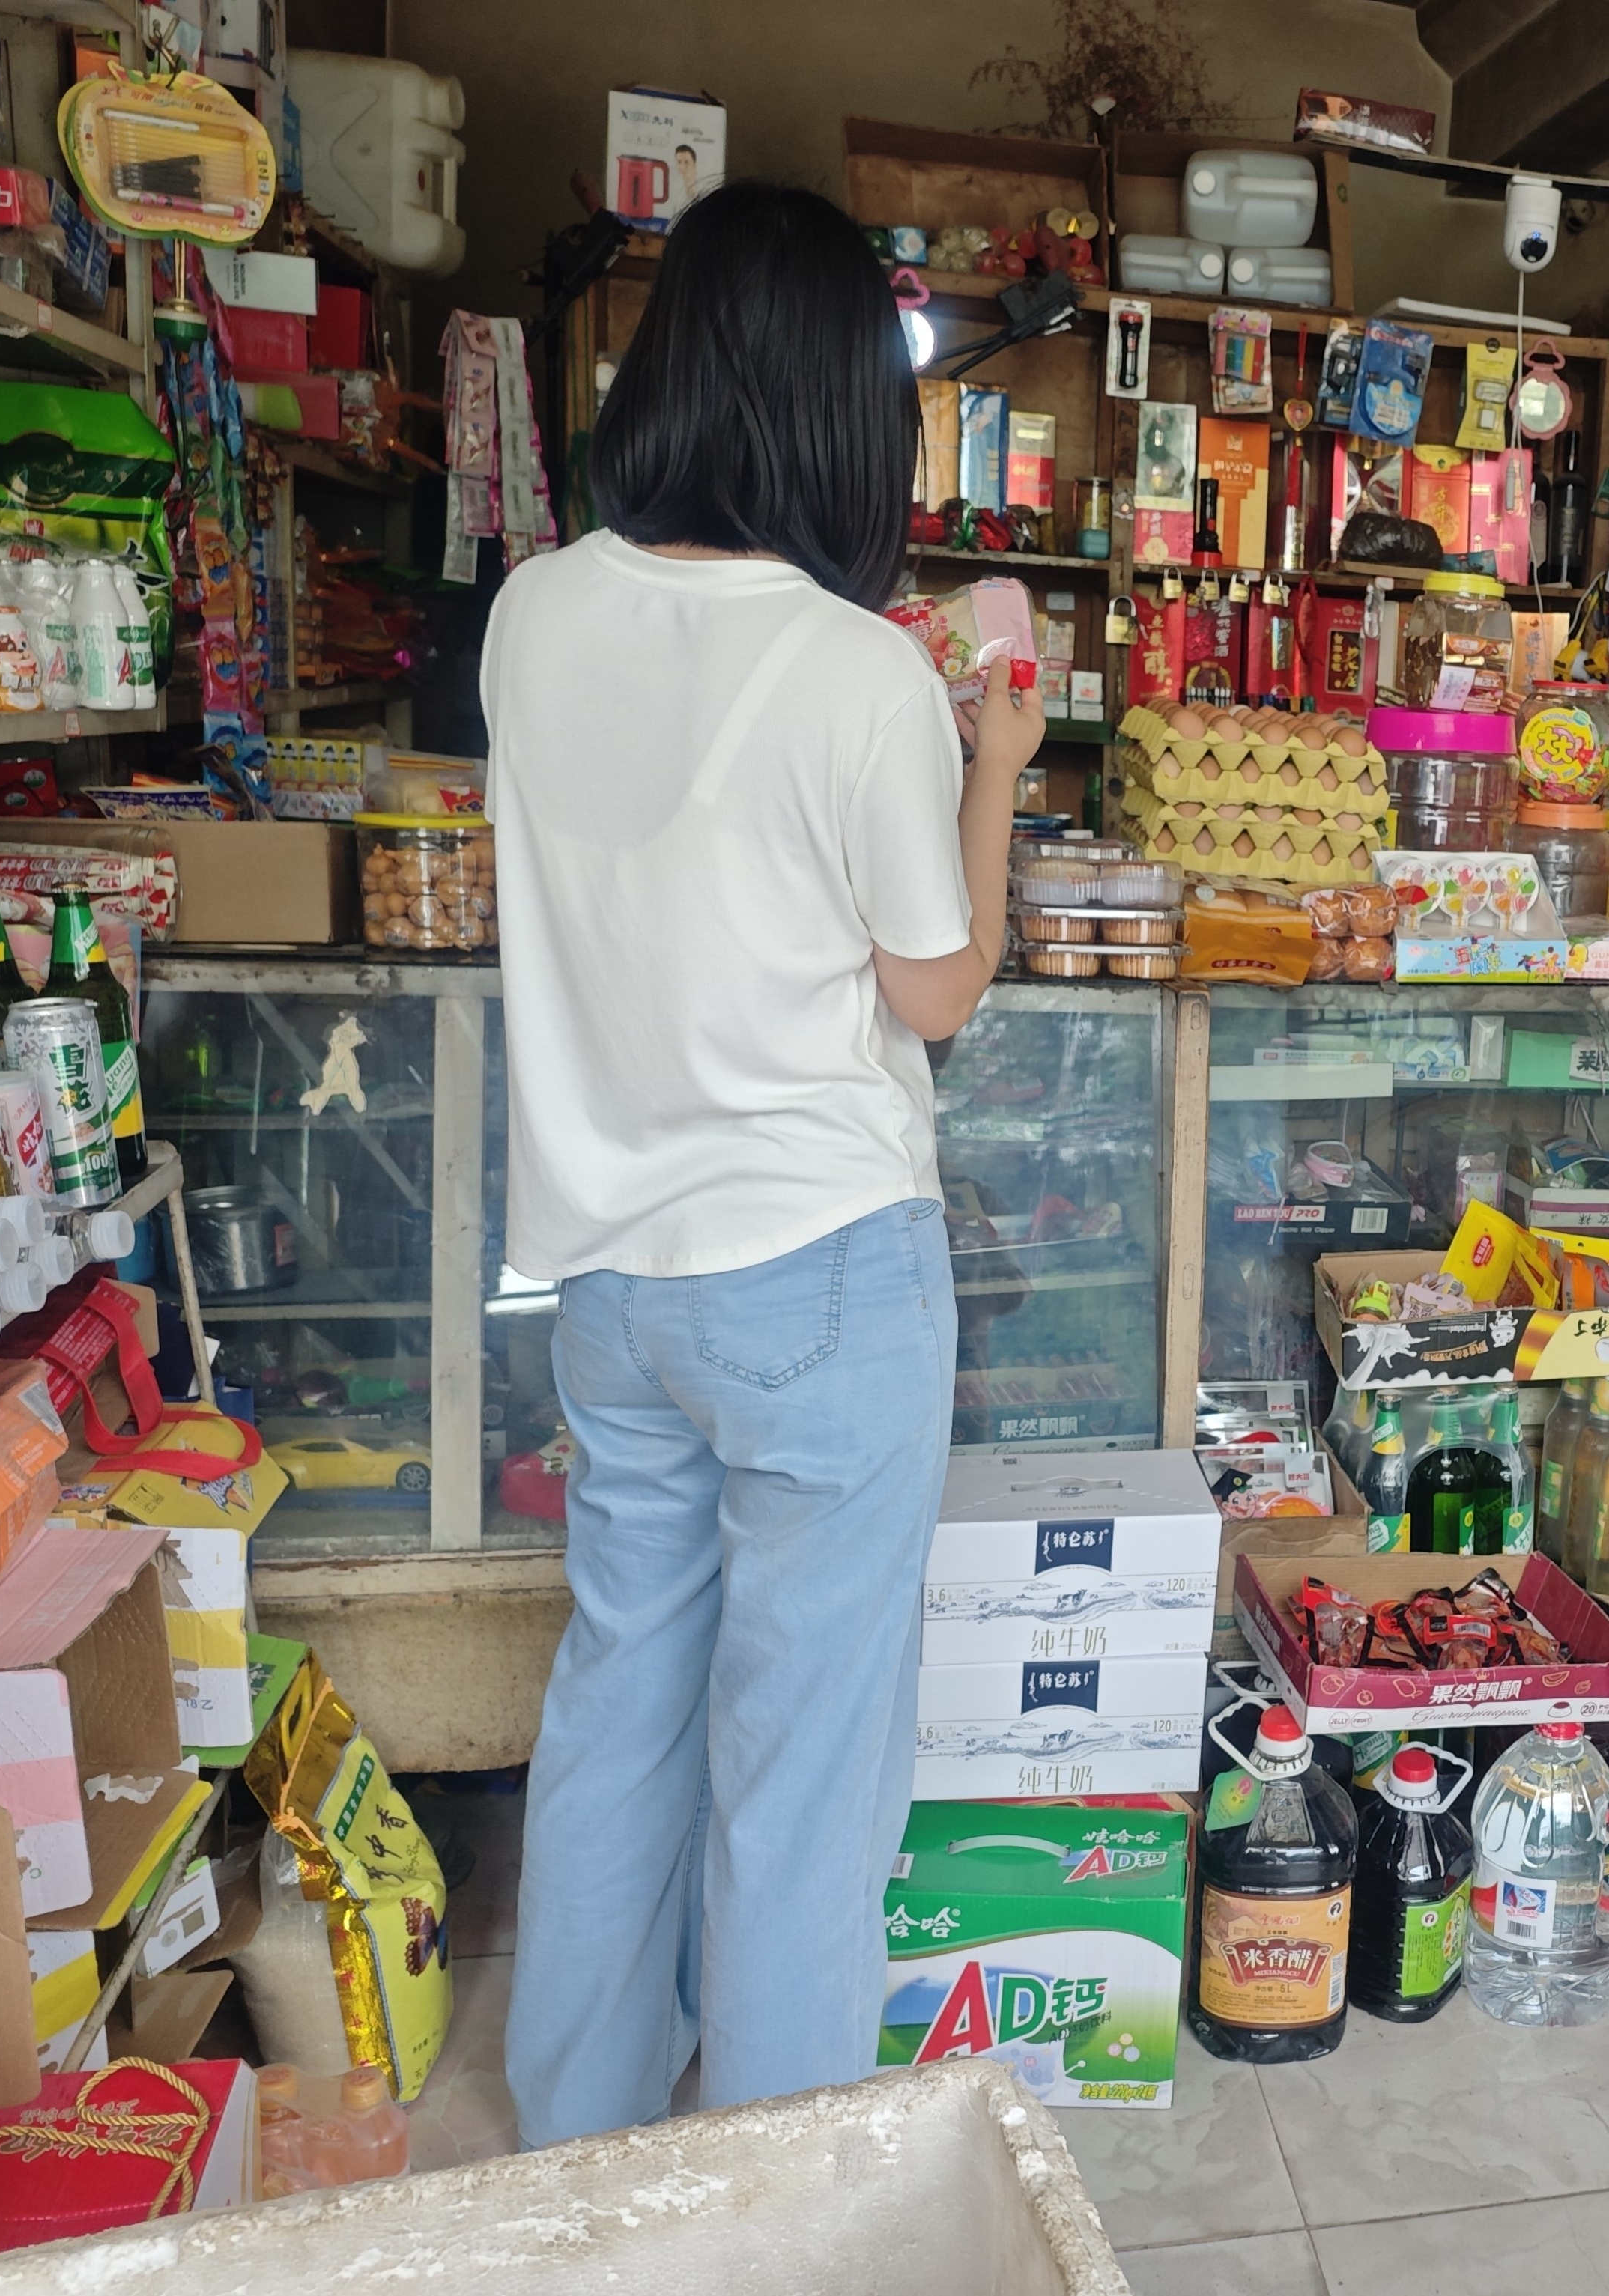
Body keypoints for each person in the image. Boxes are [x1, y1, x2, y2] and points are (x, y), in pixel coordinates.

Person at [483, 181, 1040, 2145]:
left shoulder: (534, 612)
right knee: (802, 1775)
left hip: (613, 1279)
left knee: (621, 1709)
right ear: (837, 409)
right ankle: (777, 2204)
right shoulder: (856, 674)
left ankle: (580, 2145)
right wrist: (999, 755)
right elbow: (941, 988)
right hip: (817, 1269)